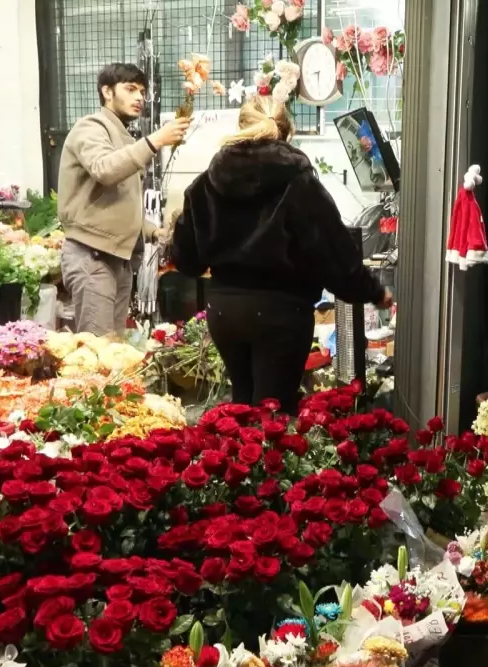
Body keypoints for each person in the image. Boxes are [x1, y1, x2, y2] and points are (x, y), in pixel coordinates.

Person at [171, 95, 392, 414]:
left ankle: (234, 461)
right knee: (273, 419)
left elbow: (188, 259)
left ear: (242, 128)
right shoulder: (300, 184)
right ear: (288, 133)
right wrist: (373, 291)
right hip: (281, 313)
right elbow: (335, 254)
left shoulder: (205, 184)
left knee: (241, 410)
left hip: (224, 310)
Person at [58, 63, 191, 336]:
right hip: (92, 258)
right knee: (97, 353)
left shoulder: (124, 137)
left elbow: (120, 204)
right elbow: (104, 169)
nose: (139, 97)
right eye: (130, 89)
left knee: (113, 351)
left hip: (117, 261)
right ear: (107, 92)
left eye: (142, 91)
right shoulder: (91, 127)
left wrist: (155, 231)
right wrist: (155, 141)